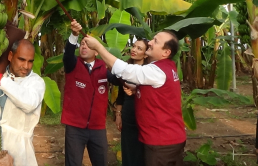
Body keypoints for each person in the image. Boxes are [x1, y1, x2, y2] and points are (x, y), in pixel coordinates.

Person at [83, 31, 186, 166]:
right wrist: (137, 89)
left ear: (166, 52)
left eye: (155, 41)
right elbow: (158, 91)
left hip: (162, 143)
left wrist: (98, 47)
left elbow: (126, 70)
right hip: (168, 138)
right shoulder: (167, 67)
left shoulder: (157, 71)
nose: (149, 42)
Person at [62, 20, 113, 166]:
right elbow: (68, 55)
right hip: (75, 127)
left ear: (97, 51)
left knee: (101, 161)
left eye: (88, 44)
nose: (84, 46)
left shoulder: (103, 67)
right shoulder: (73, 64)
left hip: (97, 128)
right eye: (82, 44)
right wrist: (74, 35)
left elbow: (118, 78)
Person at [111, 39, 148, 166]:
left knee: (143, 152)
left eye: (139, 48)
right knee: (128, 149)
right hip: (128, 115)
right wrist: (118, 114)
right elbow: (121, 94)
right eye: (134, 46)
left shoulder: (149, 71)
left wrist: (137, 91)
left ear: (146, 54)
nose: (134, 50)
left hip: (144, 117)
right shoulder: (125, 69)